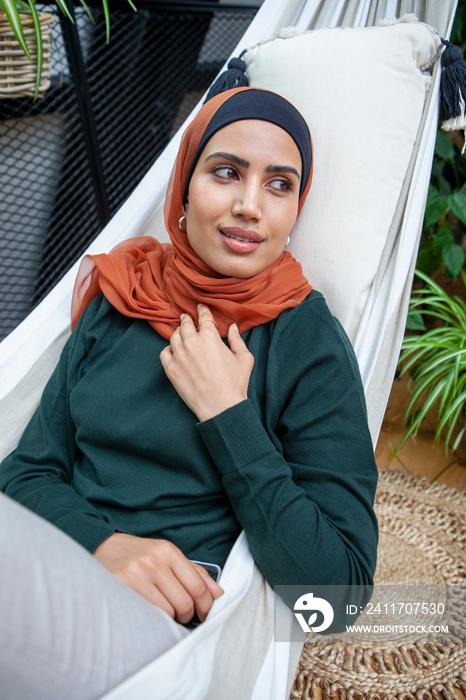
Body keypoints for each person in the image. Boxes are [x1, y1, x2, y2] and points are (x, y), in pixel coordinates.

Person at [0, 87, 378, 699]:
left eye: (279, 185)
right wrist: (106, 545)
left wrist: (228, 413)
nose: (250, 206)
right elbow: (27, 472)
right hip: (64, 563)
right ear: (182, 190)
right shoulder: (125, 294)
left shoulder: (306, 341)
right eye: (226, 173)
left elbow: (336, 596)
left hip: (175, 635)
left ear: (297, 206)